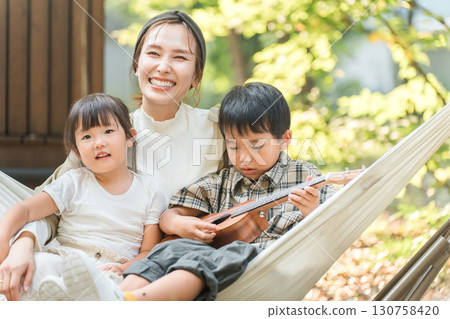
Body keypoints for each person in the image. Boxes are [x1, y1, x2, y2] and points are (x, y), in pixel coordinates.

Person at [39, 82, 336, 301]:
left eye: (256, 145)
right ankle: (109, 293)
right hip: (209, 252)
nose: (244, 158)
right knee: (172, 248)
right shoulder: (222, 180)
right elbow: (171, 214)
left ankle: (130, 302)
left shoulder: (304, 176)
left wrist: (313, 211)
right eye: (233, 146)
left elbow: (333, 222)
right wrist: (181, 224)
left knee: (206, 258)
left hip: (260, 260)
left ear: (284, 140)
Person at [0, 11, 224, 301]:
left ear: (196, 76)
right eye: (153, 53)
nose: (163, 67)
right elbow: (49, 209)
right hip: (78, 259)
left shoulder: (218, 130)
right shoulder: (106, 136)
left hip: (164, 273)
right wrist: (21, 245)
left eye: (180, 58)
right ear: (137, 63)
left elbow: (258, 178)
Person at [0, 93, 166, 300]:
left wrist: (125, 268)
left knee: (108, 289)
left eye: (108, 131)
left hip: (109, 271)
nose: (99, 143)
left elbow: (148, 252)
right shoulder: (73, 182)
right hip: (62, 260)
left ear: (130, 137)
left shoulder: (152, 192)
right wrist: (4, 238)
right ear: (77, 152)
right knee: (39, 265)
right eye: (87, 137)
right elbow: (24, 210)